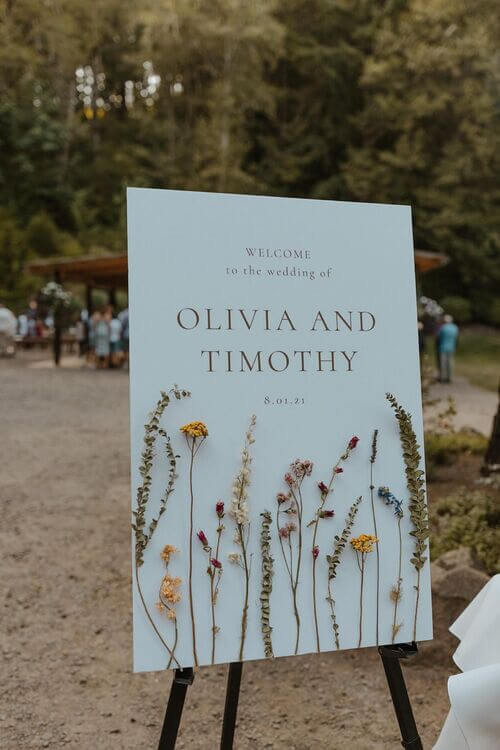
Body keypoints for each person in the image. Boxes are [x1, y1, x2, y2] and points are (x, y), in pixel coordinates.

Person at [437, 314, 459, 383]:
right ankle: (449, 377)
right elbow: (456, 338)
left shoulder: (443, 327)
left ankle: (442, 377)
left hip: (442, 347)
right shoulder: (455, 328)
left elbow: (438, 337)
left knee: (443, 363)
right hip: (451, 347)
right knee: (450, 363)